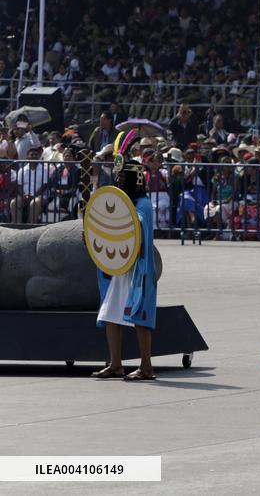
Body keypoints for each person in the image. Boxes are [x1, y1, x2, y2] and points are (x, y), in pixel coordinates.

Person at [91, 130, 158, 381]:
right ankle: (116, 364)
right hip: (120, 266)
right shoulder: (126, 201)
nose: (118, 183)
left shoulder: (142, 205)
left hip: (138, 268)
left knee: (140, 316)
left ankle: (146, 366)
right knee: (110, 314)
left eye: (122, 179)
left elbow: (135, 228)